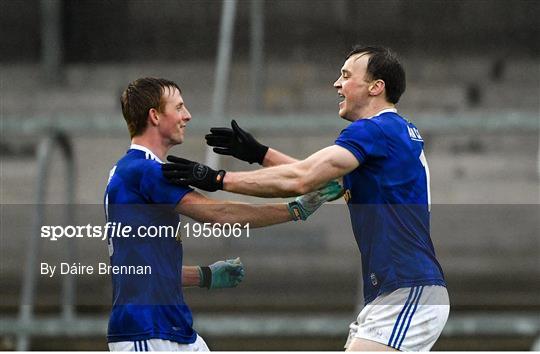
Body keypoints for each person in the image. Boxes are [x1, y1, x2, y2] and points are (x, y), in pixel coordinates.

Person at [162, 46, 450, 351]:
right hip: (400, 291)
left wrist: (219, 179)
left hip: (407, 289)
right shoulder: (389, 134)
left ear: (375, 87)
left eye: (346, 75)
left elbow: (303, 178)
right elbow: (313, 175)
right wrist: (260, 154)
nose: (336, 84)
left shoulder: (374, 131)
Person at [105, 77, 342, 351]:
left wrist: (206, 275)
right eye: (179, 107)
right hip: (147, 332)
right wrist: (293, 210)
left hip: (171, 329)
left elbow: (143, 268)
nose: (187, 115)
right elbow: (220, 213)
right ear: (155, 116)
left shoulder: (126, 170)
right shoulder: (146, 170)